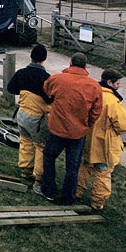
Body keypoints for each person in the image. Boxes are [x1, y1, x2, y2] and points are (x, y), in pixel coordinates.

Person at [36, 52, 103, 205]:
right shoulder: (94, 86)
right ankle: (68, 198)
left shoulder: (57, 79)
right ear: (86, 66)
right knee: (72, 167)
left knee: (49, 156)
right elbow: (96, 111)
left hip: (57, 129)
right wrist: (86, 123)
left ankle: (48, 190)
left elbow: (47, 90)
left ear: (70, 63)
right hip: (78, 133)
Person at [76, 68, 126, 210]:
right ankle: (97, 203)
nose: (119, 86)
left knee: (84, 167)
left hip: (86, 139)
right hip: (104, 144)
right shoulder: (113, 101)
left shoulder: (92, 93)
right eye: (117, 83)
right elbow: (122, 126)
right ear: (110, 83)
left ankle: (77, 193)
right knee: (102, 173)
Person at [7, 44, 52, 191]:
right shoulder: (46, 79)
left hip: (21, 114)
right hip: (37, 119)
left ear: (31, 57)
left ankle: (25, 170)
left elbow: (11, 88)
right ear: (44, 59)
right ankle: (38, 177)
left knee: (25, 141)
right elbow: (51, 99)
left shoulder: (22, 73)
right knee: (40, 146)